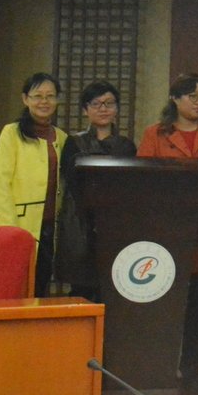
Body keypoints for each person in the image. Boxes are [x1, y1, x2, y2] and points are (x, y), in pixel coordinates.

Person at [137, 74, 198, 395]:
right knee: (164, 307)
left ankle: (191, 370)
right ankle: (159, 369)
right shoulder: (155, 133)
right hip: (165, 233)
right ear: (175, 98)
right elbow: (142, 181)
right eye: (192, 96)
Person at [0, 72, 68, 298]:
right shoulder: (11, 133)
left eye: (50, 96)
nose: (44, 102)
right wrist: (9, 228)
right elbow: (1, 184)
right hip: (17, 224)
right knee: (13, 287)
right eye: (38, 96)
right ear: (25, 99)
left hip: (49, 226)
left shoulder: (61, 137)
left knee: (40, 285)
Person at [58, 80, 136, 298]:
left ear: (117, 108)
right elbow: (71, 182)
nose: (103, 109)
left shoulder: (126, 146)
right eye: (96, 104)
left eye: (109, 103)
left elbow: (131, 186)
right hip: (81, 220)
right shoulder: (73, 143)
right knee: (81, 286)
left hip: (115, 220)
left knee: (114, 285)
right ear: (85, 109)